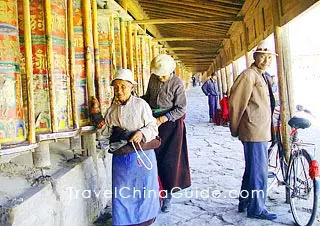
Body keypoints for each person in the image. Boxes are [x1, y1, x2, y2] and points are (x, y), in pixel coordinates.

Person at [90, 69, 159, 226]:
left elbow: (153, 128)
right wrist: (96, 115)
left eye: (123, 86)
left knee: (143, 190)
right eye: (116, 87)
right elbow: (104, 132)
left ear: (131, 88)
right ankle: (123, 222)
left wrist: (141, 133)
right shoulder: (112, 110)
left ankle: (144, 221)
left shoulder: (142, 105)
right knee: (122, 191)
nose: (119, 90)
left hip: (141, 155)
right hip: (121, 157)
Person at [228, 40, 277, 221]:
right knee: (259, 171)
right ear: (255, 57)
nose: (266, 60)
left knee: (252, 169)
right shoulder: (249, 75)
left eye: (269, 57)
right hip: (254, 130)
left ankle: (244, 202)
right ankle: (256, 208)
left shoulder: (262, 75)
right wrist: (235, 128)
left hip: (261, 129)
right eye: (262, 56)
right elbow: (236, 103)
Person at [142, 54, 191, 213]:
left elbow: (181, 108)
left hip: (171, 125)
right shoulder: (153, 79)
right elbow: (148, 98)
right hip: (152, 123)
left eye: (163, 75)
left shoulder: (177, 83)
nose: (161, 77)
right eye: (158, 74)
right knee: (152, 158)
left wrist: (164, 118)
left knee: (169, 161)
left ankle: (168, 194)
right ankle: (155, 193)